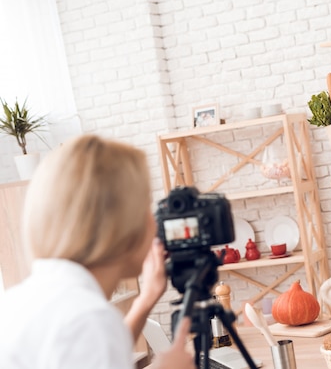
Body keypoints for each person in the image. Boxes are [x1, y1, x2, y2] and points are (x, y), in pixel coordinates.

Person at [0, 134, 196, 369]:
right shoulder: (87, 320)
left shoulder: (19, 302)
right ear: (120, 224)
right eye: (146, 206)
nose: (155, 223)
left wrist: (147, 299)